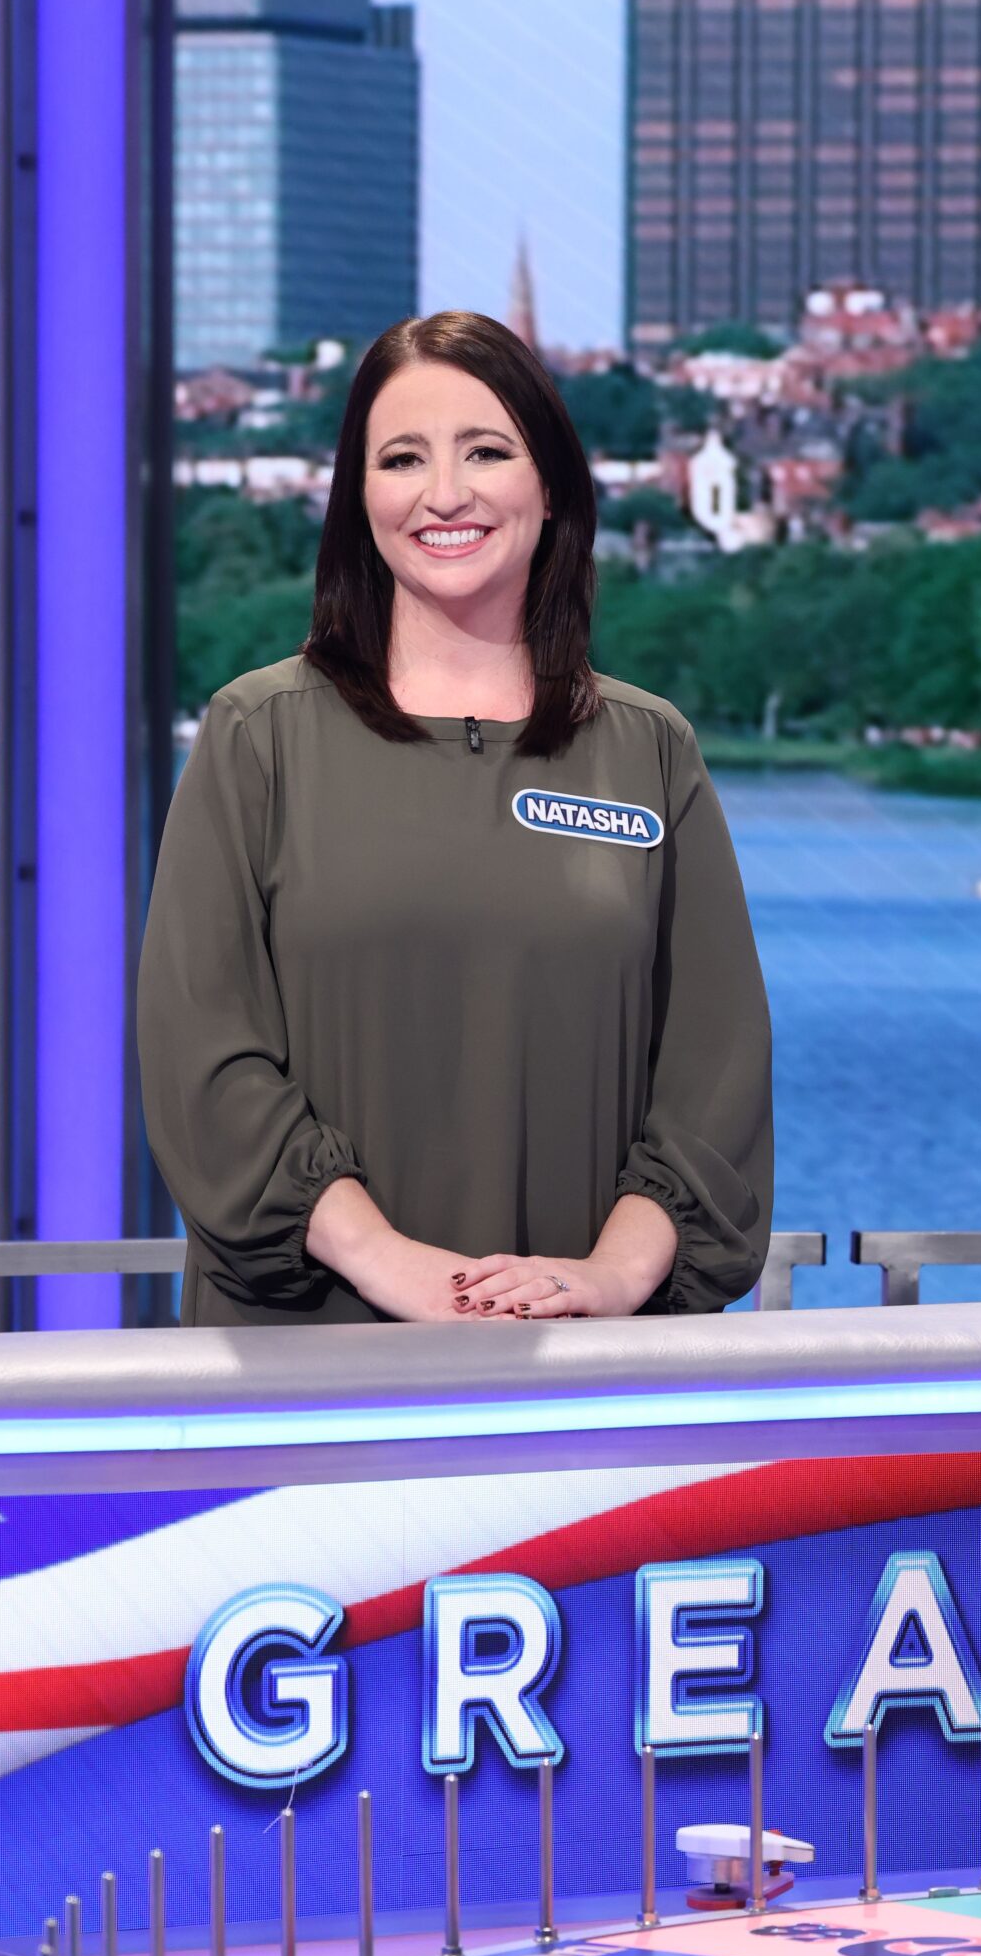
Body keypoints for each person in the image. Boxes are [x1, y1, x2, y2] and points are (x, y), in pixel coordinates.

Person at [138, 310, 773, 1329]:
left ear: (552, 485)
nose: (444, 493)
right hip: (313, 1364)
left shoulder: (649, 749)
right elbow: (200, 1055)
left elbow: (717, 1070)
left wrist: (609, 1277)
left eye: (485, 451)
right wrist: (390, 1264)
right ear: (359, 498)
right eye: (402, 458)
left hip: (585, 1369)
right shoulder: (257, 734)